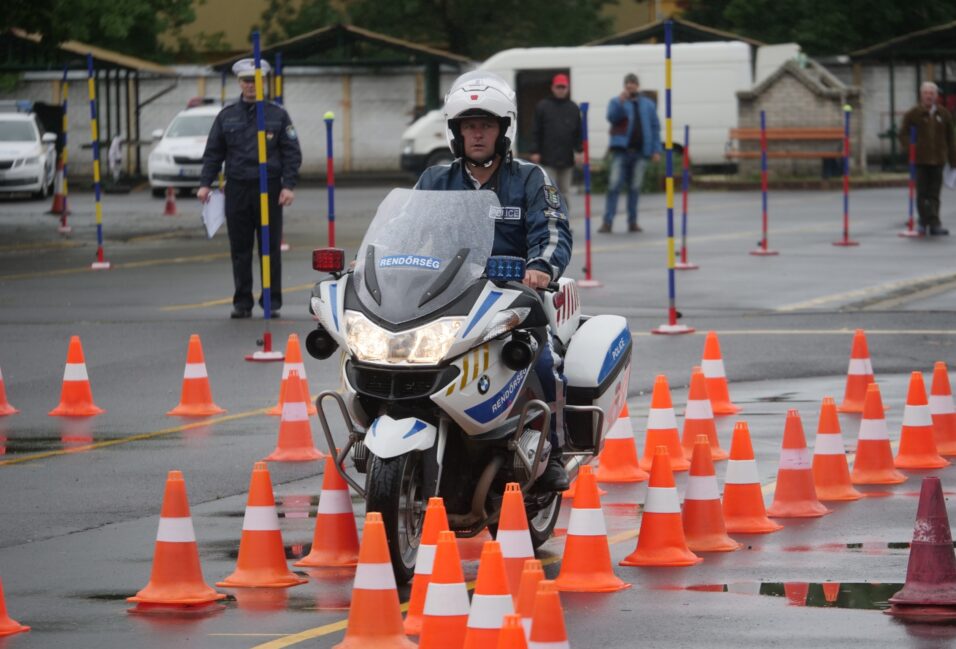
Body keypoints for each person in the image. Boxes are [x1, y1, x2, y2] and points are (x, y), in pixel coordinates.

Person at [416, 71, 573, 492]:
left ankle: (552, 450)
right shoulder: (435, 181)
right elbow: (405, 229)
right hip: (446, 296)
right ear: (457, 132)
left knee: (541, 358)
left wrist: (539, 267)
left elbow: (554, 233)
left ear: (503, 130)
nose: (477, 134)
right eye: (469, 126)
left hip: (512, 299)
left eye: (485, 125)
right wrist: (371, 262)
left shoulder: (529, 179)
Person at [198, 58, 302, 318]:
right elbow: (213, 152)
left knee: (269, 248)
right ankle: (242, 302)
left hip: (268, 189)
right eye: (246, 81)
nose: (250, 86)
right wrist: (204, 184)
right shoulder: (227, 115)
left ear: (263, 82)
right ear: (239, 83)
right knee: (240, 249)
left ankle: (271, 301)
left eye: (255, 81)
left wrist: (288, 186)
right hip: (237, 189)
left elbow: (292, 153)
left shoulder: (277, 114)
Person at [600, 72, 661, 233]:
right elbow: (612, 118)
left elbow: (655, 126)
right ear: (624, 85)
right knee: (614, 186)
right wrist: (621, 102)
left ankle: (632, 221)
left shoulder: (648, 104)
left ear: (637, 85)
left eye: (633, 83)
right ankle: (607, 222)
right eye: (628, 83)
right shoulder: (616, 101)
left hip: (641, 152)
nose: (630, 86)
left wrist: (656, 149)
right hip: (621, 151)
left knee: (635, 187)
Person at [900, 81, 955, 236]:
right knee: (922, 193)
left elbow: (950, 138)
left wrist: (953, 161)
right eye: (926, 93)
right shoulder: (913, 114)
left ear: (936, 96)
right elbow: (903, 134)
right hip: (920, 159)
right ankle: (925, 223)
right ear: (921, 95)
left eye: (932, 93)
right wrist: (911, 147)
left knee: (934, 194)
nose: (929, 96)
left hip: (938, 159)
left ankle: (934, 223)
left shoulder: (943, 114)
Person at [529, 73, 582, 207]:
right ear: (553, 88)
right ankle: (550, 222)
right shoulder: (543, 106)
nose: (560, 90)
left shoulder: (573, 108)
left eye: (563, 87)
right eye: (558, 87)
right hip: (548, 157)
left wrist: (579, 151)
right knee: (550, 190)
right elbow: (536, 130)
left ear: (567, 88)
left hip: (567, 158)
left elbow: (578, 132)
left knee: (565, 192)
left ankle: (565, 223)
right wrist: (535, 150)